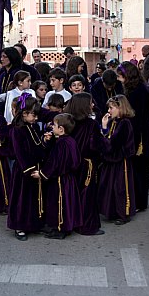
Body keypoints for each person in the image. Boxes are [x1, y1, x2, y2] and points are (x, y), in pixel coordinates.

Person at [31, 113, 82, 239]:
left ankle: (60, 229)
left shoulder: (62, 144)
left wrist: (42, 174)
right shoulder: (69, 141)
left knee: (59, 204)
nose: (52, 127)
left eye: (54, 125)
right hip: (68, 179)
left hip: (60, 180)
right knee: (67, 203)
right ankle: (66, 226)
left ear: (61, 129)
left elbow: (55, 163)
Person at [64, 93, 106, 236]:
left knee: (71, 193)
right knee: (87, 195)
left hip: (70, 163)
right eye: (90, 103)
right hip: (87, 164)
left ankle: (71, 223)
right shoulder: (91, 124)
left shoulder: (68, 122)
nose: (93, 105)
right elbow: (96, 145)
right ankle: (86, 226)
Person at [116, 61, 149, 212]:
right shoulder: (138, 89)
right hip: (141, 134)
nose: (119, 79)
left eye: (121, 76)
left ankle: (139, 202)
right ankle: (139, 201)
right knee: (139, 170)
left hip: (140, 136)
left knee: (139, 170)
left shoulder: (138, 92)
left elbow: (138, 117)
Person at [7, 95, 46, 241]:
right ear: (24, 114)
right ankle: (19, 226)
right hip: (24, 171)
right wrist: (28, 170)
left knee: (33, 198)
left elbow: (37, 145)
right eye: (33, 114)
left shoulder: (33, 126)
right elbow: (19, 152)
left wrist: (45, 141)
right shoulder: (17, 130)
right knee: (21, 199)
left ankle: (33, 224)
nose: (36, 118)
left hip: (35, 167)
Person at [98, 95, 136, 225]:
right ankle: (112, 211)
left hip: (121, 159)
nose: (109, 111)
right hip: (111, 159)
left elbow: (114, 142)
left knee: (120, 187)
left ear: (120, 108)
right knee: (110, 185)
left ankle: (123, 213)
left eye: (111, 108)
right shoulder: (113, 122)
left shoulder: (125, 123)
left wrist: (104, 130)